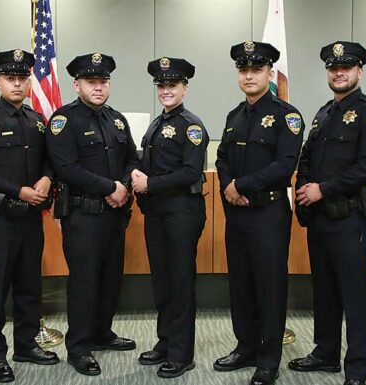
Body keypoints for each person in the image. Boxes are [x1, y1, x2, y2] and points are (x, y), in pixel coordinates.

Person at [288, 42, 366, 385]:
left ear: (360, 71)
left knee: (354, 295)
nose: (339, 73)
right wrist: (302, 192)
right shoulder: (323, 114)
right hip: (320, 219)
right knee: (325, 290)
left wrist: (322, 189)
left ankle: (357, 368)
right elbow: (306, 158)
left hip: (351, 220)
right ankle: (326, 352)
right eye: (333, 68)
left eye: (346, 68)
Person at [214, 41, 304, 385]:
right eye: (243, 70)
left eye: (256, 69)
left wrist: (242, 186)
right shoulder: (235, 115)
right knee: (240, 282)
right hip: (237, 213)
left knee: (269, 285)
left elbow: (284, 165)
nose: (249, 75)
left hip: (268, 213)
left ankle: (269, 358)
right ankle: (245, 346)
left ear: (270, 73)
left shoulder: (287, 115)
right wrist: (227, 186)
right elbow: (222, 158)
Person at [0, 49, 59, 383]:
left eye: (22, 78)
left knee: (29, 285)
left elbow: (50, 159)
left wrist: (47, 177)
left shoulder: (37, 120)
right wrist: (17, 190)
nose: (17, 84)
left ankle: (26, 344)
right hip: (0, 217)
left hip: (31, 218)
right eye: (10, 78)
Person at [45, 52, 139, 376]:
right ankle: (79, 347)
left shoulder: (116, 119)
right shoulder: (63, 121)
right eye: (91, 81)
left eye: (103, 81)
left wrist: (124, 186)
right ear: (76, 84)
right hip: (82, 216)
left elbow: (132, 158)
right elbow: (66, 168)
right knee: (84, 282)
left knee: (110, 279)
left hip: (114, 215)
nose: (98, 87)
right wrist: (110, 188)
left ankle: (103, 333)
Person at [131, 57, 208, 378]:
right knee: (162, 281)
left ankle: (181, 352)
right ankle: (165, 342)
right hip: (158, 213)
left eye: (172, 85)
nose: (166, 90)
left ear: (184, 88)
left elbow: (191, 171)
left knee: (179, 282)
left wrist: (149, 183)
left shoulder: (191, 125)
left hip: (182, 212)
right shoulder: (158, 123)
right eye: (161, 85)